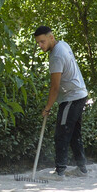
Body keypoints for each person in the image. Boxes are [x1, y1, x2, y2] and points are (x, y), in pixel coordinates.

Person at [34, 26, 88, 180]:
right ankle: (82, 169)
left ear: (51, 37)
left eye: (43, 41)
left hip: (71, 98)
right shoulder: (63, 44)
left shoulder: (56, 56)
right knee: (73, 133)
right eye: (38, 43)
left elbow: (55, 87)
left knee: (62, 134)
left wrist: (47, 108)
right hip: (80, 94)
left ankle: (60, 172)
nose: (41, 46)